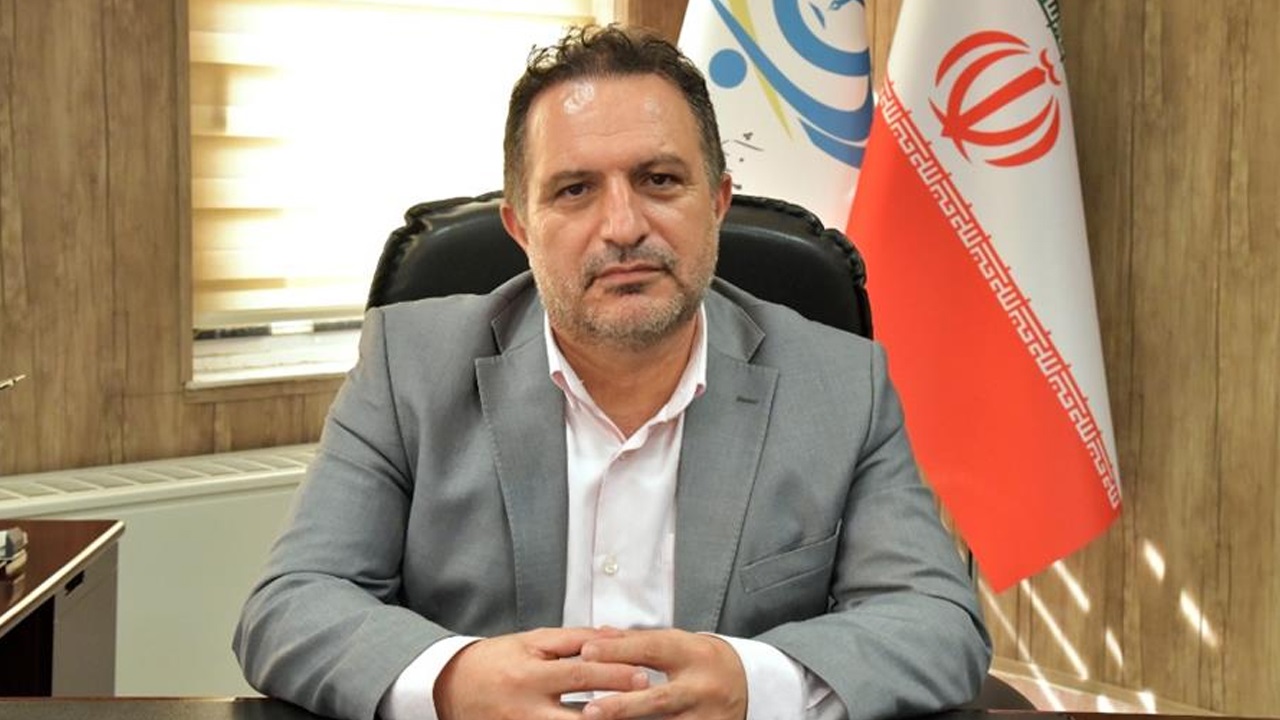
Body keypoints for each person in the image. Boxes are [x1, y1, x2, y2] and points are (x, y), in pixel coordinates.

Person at [234, 24, 990, 720]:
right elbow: (291, 605)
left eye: (659, 180)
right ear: (521, 226)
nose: (623, 227)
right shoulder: (409, 366)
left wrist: (754, 682)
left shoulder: (839, 384)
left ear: (718, 202)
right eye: (575, 190)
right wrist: (455, 680)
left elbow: (937, 623)